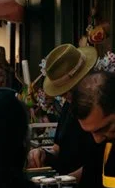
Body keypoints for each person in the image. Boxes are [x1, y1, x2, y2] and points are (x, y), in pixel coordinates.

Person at [27, 43, 98, 172]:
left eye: (70, 90)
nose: (67, 97)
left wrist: (68, 180)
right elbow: (58, 149)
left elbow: (98, 163)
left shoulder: (100, 107)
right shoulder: (69, 106)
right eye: (64, 93)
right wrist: (43, 154)